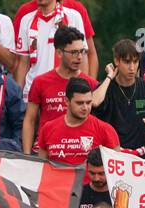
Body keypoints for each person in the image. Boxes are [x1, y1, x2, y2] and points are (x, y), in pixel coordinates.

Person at [20, 25, 93, 154]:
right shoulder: (41, 82)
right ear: (59, 52)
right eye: (74, 52)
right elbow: (30, 120)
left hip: (77, 152)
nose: (79, 57)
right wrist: (26, 156)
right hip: (46, 151)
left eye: (82, 51)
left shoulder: (90, 84)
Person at [88, 39, 145, 158]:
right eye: (127, 62)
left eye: (135, 62)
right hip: (112, 154)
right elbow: (94, 102)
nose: (132, 67)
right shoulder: (106, 87)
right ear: (117, 60)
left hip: (141, 153)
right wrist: (109, 76)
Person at [36, 77, 118, 165]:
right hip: (57, 178)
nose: (85, 107)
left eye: (88, 102)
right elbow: (41, 168)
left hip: (89, 179)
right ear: (67, 101)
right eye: (79, 103)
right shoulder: (48, 129)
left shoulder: (105, 130)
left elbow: (115, 170)